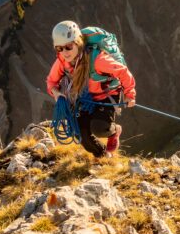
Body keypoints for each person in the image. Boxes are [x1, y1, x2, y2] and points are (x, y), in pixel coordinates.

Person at [46, 21, 136, 158]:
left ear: (77, 42)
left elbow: (122, 72)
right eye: (59, 48)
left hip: (107, 95)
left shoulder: (98, 60)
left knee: (99, 128)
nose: (64, 52)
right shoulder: (62, 62)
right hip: (85, 98)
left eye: (68, 46)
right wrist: (58, 94)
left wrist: (129, 94)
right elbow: (51, 82)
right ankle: (103, 156)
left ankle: (114, 131)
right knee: (81, 133)